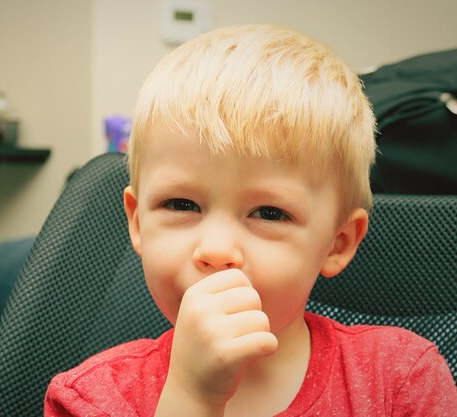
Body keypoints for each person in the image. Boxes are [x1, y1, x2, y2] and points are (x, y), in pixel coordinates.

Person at [44, 24, 456, 416]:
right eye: (182, 204)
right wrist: (192, 399)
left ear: (338, 242)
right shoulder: (94, 398)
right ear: (136, 222)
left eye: (270, 213)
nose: (217, 250)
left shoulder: (401, 380)